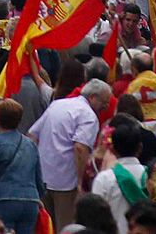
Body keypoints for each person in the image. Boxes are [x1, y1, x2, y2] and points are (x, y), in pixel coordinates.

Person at [32, 78, 110, 223]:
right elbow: (80, 148)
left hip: (42, 177)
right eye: (104, 102)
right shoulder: (88, 115)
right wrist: (80, 183)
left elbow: (32, 135)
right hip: (67, 182)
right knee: (65, 226)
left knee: (46, 227)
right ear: (93, 97)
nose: (106, 107)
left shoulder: (57, 104)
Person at [0, 99, 44, 234]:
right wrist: (39, 197)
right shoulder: (30, 145)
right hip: (30, 201)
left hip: (2, 199)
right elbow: (38, 177)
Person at [89, 119, 152, 230]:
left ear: (112, 149)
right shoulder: (152, 177)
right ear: (140, 148)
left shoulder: (104, 179)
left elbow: (94, 217)